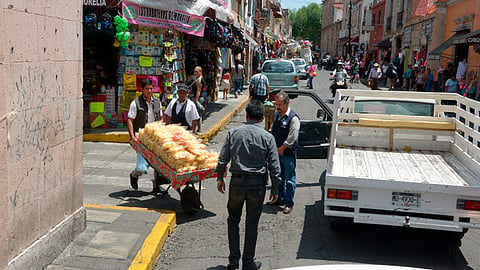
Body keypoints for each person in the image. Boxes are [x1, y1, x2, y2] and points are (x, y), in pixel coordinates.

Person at [216, 100, 281, 270]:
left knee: (233, 220)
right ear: (261, 118)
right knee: (252, 223)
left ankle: (233, 260)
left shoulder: (234, 133)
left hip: (236, 182)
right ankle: (248, 262)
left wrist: (220, 177)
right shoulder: (268, 137)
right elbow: (275, 166)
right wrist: (275, 189)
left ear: (246, 116)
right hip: (257, 184)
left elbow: (223, 158)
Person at [127, 79, 163, 191]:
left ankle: (156, 185)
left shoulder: (157, 102)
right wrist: (132, 137)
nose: (149, 91)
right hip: (142, 138)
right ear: (142, 90)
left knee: (158, 164)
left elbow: (161, 118)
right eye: (147, 89)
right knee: (142, 166)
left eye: (151, 88)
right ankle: (134, 175)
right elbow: (130, 120)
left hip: (155, 137)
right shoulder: (136, 103)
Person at [268, 92, 300, 214]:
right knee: (278, 177)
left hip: (287, 154)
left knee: (289, 179)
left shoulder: (293, 118)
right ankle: (280, 199)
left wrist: (282, 149)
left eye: (280, 104)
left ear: (287, 103)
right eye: (277, 104)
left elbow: (293, 136)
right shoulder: (277, 115)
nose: (278, 107)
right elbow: (273, 129)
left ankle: (288, 203)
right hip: (277, 153)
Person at [192, 66, 207, 132]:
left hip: (198, 98)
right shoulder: (200, 79)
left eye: (196, 72)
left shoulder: (199, 80)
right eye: (194, 71)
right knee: (198, 113)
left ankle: (198, 128)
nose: (195, 73)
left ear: (200, 72)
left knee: (197, 113)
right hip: (201, 97)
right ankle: (198, 127)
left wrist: (196, 99)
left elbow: (199, 89)